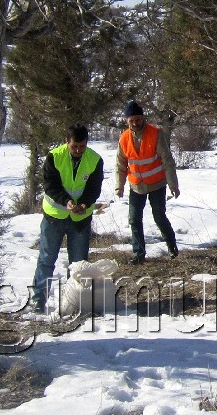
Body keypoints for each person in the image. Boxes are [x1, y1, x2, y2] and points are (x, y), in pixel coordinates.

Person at [31, 124, 104, 313]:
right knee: (46, 260)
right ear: (67, 142)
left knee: (79, 264)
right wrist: (68, 202)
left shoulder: (95, 160)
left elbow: (94, 189)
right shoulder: (54, 157)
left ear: (87, 143)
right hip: (54, 217)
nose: (78, 150)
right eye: (75, 146)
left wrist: (84, 204)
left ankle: (75, 302)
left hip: (80, 220)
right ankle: (38, 302)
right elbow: (50, 186)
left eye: (82, 146)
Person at [115, 100, 180, 263]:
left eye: (138, 119)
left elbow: (167, 160)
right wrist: (119, 186)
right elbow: (120, 165)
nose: (136, 123)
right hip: (136, 186)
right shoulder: (123, 139)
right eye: (132, 120)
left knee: (159, 216)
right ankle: (138, 254)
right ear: (126, 121)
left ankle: (172, 246)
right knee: (134, 219)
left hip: (157, 183)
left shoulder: (155, 133)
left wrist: (173, 184)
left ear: (143, 118)